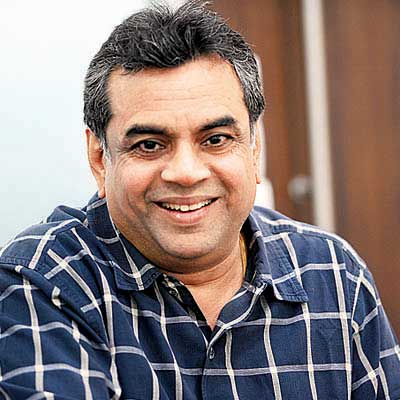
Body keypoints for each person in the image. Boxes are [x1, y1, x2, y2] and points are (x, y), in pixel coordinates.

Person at [0, 1, 399, 399]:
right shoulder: (44, 281)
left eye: (216, 139)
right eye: (149, 144)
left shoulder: (333, 273)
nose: (186, 173)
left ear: (254, 150)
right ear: (100, 159)